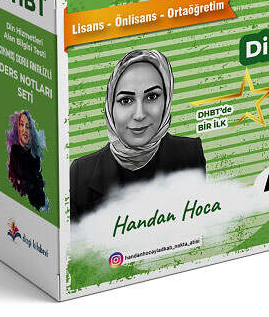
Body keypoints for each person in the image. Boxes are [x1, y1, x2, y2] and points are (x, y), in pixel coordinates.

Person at [70, 49, 206, 222]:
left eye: (152, 97)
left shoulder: (190, 154)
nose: (139, 114)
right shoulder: (81, 173)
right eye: (126, 100)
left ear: (167, 101)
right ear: (110, 107)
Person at [7, 110, 48, 211]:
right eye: (22, 125)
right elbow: (14, 180)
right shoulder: (15, 151)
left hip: (38, 204)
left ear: (31, 131)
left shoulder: (34, 156)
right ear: (18, 128)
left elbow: (39, 182)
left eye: (28, 127)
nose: (25, 130)